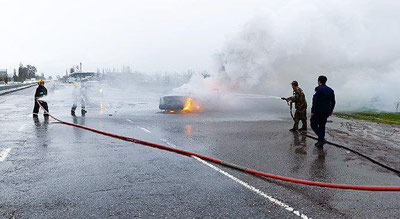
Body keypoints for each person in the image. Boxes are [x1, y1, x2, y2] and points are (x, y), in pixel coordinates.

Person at [311, 75, 336, 148]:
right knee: (322, 125)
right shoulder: (331, 90)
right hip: (326, 112)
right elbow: (333, 102)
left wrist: (313, 111)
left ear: (319, 81)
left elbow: (315, 101)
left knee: (313, 124)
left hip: (318, 111)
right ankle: (320, 141)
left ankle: (321, 139)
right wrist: (331, 110)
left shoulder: (318, 89)